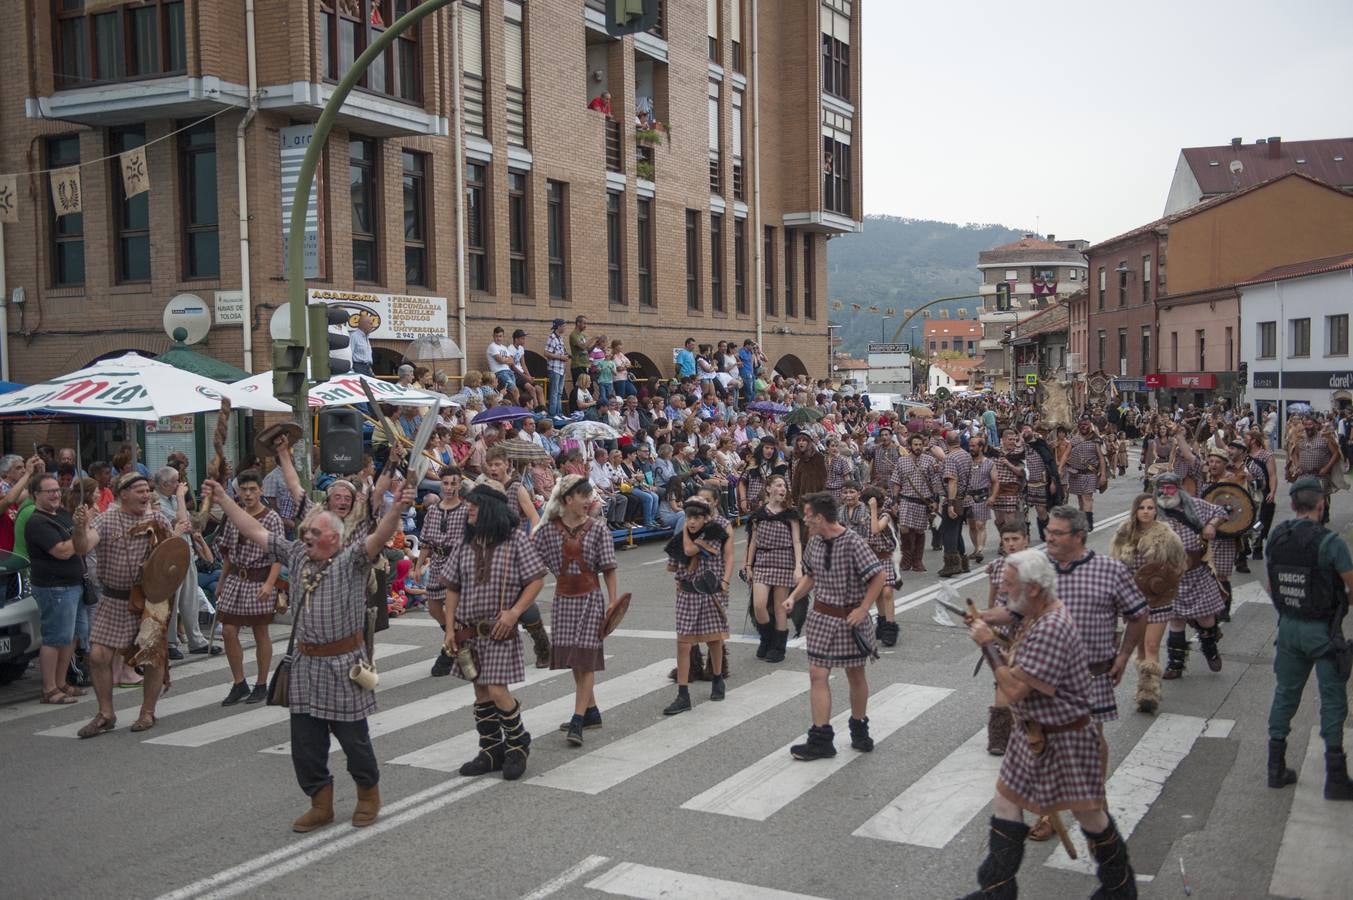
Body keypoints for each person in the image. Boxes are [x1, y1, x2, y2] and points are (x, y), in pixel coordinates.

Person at [203, 476, 413, 831]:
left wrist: (398, 509)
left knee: (354, 740)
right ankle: (321, 802)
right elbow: (255, 530)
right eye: (306, 531)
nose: (307, 537)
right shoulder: (297, 553)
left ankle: (367, 795)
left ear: (334, 538)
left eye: (315, 533)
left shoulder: (352, 560)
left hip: (343, 666)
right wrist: (224, 498)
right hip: (304, 665)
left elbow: (378, 538)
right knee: (305, 744)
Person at [963, 549, 1137, 899]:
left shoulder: (1052, 627)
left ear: (1034, 589)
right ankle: (997, 890)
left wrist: (988, 644)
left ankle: (1120, 889)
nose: (1004, 591)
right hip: (1032, 735)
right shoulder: (1032, 609)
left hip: (1065, 739)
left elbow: (1012, 688)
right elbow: (1006, 612)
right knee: (1005, 801)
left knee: (1090, 817)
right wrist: (981, 616)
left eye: (1010, 585)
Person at [442, 480, 548, 780]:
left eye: (473, 507)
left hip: (499, 630)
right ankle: (490, 750)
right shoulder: (466, 543)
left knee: (497, 689)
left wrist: (514, 613)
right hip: (468, 632)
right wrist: (449, 629)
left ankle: (517, 744)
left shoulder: (515, 540)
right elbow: (452, 588)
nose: (468, 511)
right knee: (480, 691)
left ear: (488, 509)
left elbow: (536, 579)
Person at [72, 472, 183, 738]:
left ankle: (147, 711)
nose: (146, 496)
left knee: (154, 658)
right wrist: (79, 528)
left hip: (149, 601)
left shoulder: (156, 518)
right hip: (113, 598)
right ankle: (106, 714)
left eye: (147, 491)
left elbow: (172, 555)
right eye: (140, 491)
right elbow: (82, 547)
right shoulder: (107, 519)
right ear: (123, 494)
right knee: (98, 656)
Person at [1265, 475, 1353, 800]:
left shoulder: (1277, 536)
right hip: (1323, 630)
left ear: (1292, 505)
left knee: (1285, 695)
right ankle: (1336, 776)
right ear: (1322, 503)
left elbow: (1274, 585)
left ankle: (1275, 767)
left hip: (1288, 626)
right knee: (1332, 699)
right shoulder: (1331, 543)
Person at [782, 492, 887, 760]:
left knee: (855, 675)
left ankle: (859, 728)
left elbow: (878, 576)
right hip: (820, 618)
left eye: (807, 515)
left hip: (849, 619)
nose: (805, 521)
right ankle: (821, 739)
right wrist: (794, 597)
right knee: (817, 674)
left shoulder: (853, 542)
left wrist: (863, 609)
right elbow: (811, 575)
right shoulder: (815, 542)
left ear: (819, 517)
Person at [532, 476, 622, 746]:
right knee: (574, 659)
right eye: (583, 496)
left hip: (590, 599)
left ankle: (578, 720)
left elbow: (609, 568)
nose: (588, 502)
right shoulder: (548, 531)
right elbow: (531, 562)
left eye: (589, 496)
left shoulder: (598, 529)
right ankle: (591, 710)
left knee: (585, 660)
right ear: (568, 499)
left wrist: (613, 602)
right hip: (563, 600)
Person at [210, 469, 285, 706]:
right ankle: (239, 681)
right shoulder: (235, 515)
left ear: (261, 490)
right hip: (236, 578)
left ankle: (261, 683)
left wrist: (270, 583)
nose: (248, 494)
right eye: (244, 489)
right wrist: (221, 581)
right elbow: (229, 555)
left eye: (253, 489)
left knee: (260, 631)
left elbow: (278, 555)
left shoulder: (272, 518)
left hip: (259, 578)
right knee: (228, 631)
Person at [1109, 493, 1186, 716]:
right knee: (1141, 648)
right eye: (1141, 508)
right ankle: (1146, 684)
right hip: (1133, 602)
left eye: (1150, 508)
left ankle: (1148, 695)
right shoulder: (1124, 534)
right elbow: (1114, 567)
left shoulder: (1167, 536)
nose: (1146, 511)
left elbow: (1180, 565)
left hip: (1159, 600)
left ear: (1155, 511)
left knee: (1152, 646)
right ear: (1135, 511)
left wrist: (1164, 582)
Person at [1153, 473, 1229, 679]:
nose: (1165, 492)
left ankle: (1210, 650)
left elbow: (1222, 511)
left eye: (1170, 488)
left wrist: (1212, 524)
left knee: (1205, 619)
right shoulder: (1154, 511)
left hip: (1197, 572)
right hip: (1171, 576)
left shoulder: (1195, 505)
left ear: (1178, 489)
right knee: (1175, 620)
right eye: (1161, 488)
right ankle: (1175, 664)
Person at [662, 496, 732, 714]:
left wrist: (683, 531)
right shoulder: (678, 541)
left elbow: (691, 550)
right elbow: (675, 566)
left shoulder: (713, 534)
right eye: (688, 517)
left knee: (714, 639)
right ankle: (683, 694)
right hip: (687, 594)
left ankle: (717, 679)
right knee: (683, 644)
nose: (691, 522)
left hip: (709, 593)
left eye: (696, 517)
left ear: (705, 518)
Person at [25, 473, 85, 704]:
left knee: (70, 637)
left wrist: (81, 529)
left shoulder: (62, 515)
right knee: (54, 637)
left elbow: (83, 543)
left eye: (57, 490)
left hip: (74, 584)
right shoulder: (37, 522)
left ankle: (61, 682)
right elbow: (63, 551)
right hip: (54, 587)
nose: (55, 494)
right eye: (48, 491)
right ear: (35, 495)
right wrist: (79, 532)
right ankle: (49, 689)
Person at [743, 475, 802, 664]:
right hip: (762, 560)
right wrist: (748, 565)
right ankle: (766, 638)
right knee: (759, 605)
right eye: (778, 485)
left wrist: (798, 566)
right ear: (768, 489)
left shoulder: (791, 515)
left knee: (779, 607)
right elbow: (753, 541)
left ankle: (779, 646)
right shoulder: (758, 515)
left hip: (784, 560)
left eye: (784, 486)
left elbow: (797, 541)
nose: (782, 489)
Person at [982, 522, 1030, 755]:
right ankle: (999, 736)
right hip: (1003, 633)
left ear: (1026, 540)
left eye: (1015, 539)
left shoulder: (1036, 566)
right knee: (1002, 680)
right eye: (1006, 539)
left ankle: (1026, 728)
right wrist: (987, 625)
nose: (1011, 544)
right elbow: (992, 601)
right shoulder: (997, 566)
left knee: (1024, 683)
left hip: (1029, 632)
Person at [890, 432, 936, 573]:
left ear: (923, 446)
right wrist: (895, 501)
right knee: (904, 528)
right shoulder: (902, 461)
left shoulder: (929, 461)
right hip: (905, 499)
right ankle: (906, 560)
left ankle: (917, 561)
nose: (918, 447)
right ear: (910, 446)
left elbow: (935, 482)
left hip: (922, 501)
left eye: (920, 444)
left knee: (919, 530)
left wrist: (936, 500)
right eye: (915, 444)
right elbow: (897, 482)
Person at [1290, 413, 1341, 525]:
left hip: (1320, 475)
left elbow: (1336, 454)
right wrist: (1297, 466)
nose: (1308, 427)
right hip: (1304, 475)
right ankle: (1304, 522)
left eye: (1310, 424)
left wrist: (1327, 468)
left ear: (1316, 425)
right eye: (1306, 424)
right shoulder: (1300, 437)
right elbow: (1294, 452)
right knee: (1303, 500)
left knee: (1320, 501)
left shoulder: (1325, 437)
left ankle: (1321, 518)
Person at [938, 431, 973, 578]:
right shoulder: (966, 454)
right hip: (966, 499)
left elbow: (952, 481)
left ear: (946, 443)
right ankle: (963, 562)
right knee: (957, 531)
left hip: (955, 499)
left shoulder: (951, 457)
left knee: (949, 532)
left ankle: (951, 565)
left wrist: (951, 504)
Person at [1063, 417, 1107, 531]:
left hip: (1090, 473)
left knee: (1087, 498)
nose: (1084, 427)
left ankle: (1088, 523)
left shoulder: (1095, 440)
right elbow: (1065, 455)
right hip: (1077, 474)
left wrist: (1103, 475)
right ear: (1078, 427)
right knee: (1081, 500)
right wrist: (1059, 468)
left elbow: (1101, 458)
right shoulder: (1074, 440)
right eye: (1082, 425)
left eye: (1086, 425)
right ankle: (1082, 521)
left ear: (1090, 426)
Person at [966, 434, 997, 564]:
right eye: (970, 446)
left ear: (981, 447)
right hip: (968, 497)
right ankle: (975, 549)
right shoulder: (966, 462)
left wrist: (993, 496)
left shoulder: (989, 463)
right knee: (972, 525)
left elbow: (995, 481)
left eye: (974, 446)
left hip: (982, 496)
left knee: (980, 524)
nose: (971, 448)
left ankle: (980, 550)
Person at [544, 318, 569, 417]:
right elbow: (546, 353)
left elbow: (561, 353)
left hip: (561, 369)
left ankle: (559, 413)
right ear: (558, 327)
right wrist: (560, 357)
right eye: (563, 326)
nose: (565, 328)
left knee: (559, 393)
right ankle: (553, 414)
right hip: (554, 369)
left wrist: (565, 356)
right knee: (554, 393)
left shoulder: (560, 338)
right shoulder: (552, 338)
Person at [568, 316, 591, 389]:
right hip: (577, 365)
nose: (585, 326)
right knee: (579, 387)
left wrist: (595, 345)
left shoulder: (583, 335)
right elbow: (582, 346)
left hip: (585, 364)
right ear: (578, 323)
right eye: (584, 323)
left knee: (587, 387)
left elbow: (587, 350)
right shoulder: (573, 335)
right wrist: (593, 338)